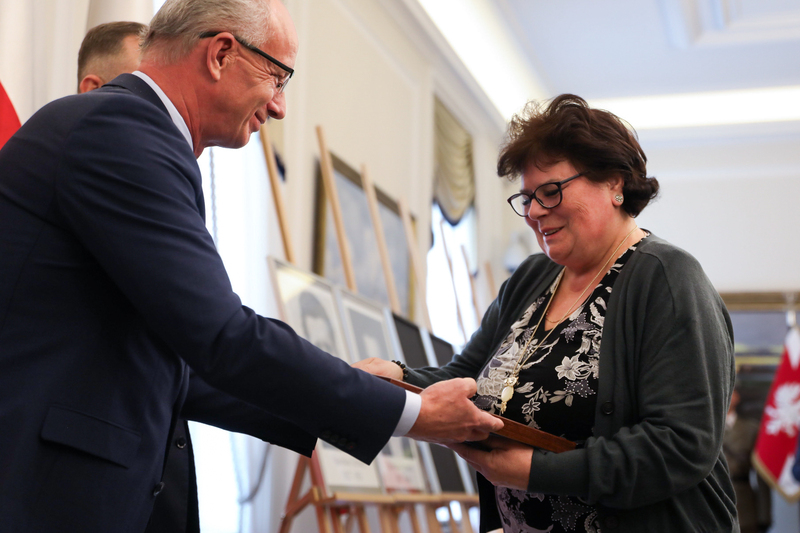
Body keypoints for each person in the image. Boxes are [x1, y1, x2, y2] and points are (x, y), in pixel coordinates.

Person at [0, 0, 502, 531]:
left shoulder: (134, 133)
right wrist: (414, 416)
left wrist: (345, 393)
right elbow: (222, 336)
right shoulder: (122, 129)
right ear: (220, 54)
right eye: (278, 77)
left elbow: (180, 368)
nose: (281, 106)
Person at [356, 94, 738, 532]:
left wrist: (533, 472)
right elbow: (468, 377)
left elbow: (681, 447)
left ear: (615, 183)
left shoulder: (667, 278)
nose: (535, 211)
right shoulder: (533, 276)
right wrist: (398, 378)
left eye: (551, 191)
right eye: (527, 197)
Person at [78, 20, 202, 533]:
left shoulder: (157, 174)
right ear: (95, 90)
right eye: (144, 87)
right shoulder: (86, 159)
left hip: (157, 491)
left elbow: (178, 356)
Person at [724, 387, 771, 533]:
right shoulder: (703, 427)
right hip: (709, 504)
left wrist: (764, 515)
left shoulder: (750, 429)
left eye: (729, 391)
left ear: (737, 397)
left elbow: (761, 474)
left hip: (743, 505)